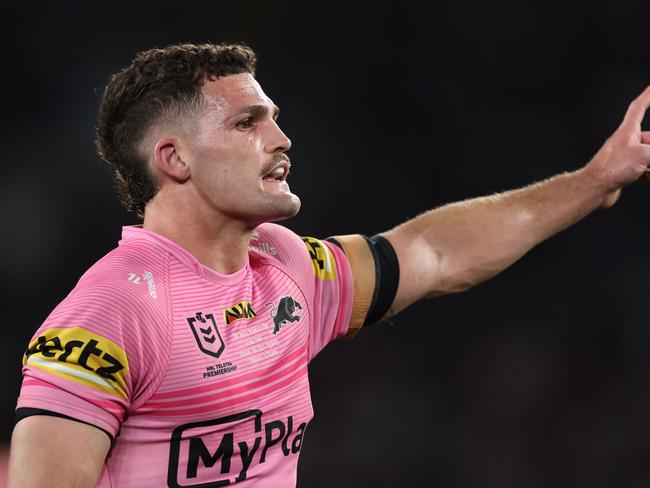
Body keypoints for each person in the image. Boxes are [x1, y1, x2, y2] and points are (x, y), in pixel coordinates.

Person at [6, 42, 650, 488]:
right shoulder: (112, 313)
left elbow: (434, 252)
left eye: (275, 120)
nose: (281, 139)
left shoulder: (286, 267)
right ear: (175, 160)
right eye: (247, 123)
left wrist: (597, 180)